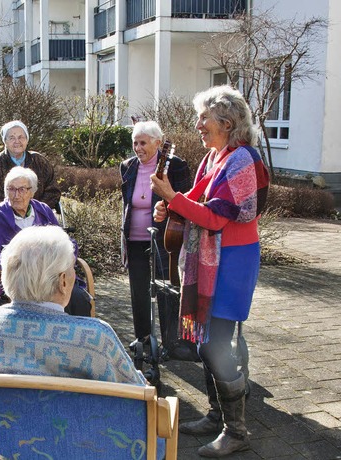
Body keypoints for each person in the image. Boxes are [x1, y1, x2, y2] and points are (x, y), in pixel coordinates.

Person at [151, 85, 269, 458]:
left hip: (233, 261)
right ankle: (217, 415)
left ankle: (236, 431)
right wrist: (168, 208)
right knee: (206, 340)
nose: (198, 124)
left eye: (204, 118)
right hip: (212, 260)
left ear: (226, 122)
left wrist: (173, 199)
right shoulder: (214, 158)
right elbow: (194, 203)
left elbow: (216, 217)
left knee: (214, 342)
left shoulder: (243, 160)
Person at [0, 225, 145, 385]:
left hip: (7, 422)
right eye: (72, 268)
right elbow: (140, 394)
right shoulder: (96, 338)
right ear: (63, 282)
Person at [120, 120, 194, 360]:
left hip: (165, 238)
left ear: (158, 143)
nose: (138, 148)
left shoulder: (176, 166)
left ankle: (171, 342)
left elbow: (187, 201)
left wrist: (167, 207)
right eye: (135, 143)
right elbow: (127, 203)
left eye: (143, 143)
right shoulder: (128, 166)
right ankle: (142, 339)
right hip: (134, 238)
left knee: (167, 289)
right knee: (138, 291)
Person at [0, 166, 92, 317]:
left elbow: (63, 241)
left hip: (51, 275)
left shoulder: (43, 210)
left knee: (77, 297)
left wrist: (62, 258)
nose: (16, 195)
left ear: (32, 191)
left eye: (22, 189)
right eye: (11, 189)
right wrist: (23, 264)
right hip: (21, 280)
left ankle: (74, 337)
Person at [0, 120, 61, 209]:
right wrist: (16, 212)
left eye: (21, 137)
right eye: (12, 138)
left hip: (38, 216)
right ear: (5, 141)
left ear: (27, 140)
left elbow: (53, 192)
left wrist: (34, 210)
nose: (17, 141)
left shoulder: (40, 161)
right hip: (6, 218)